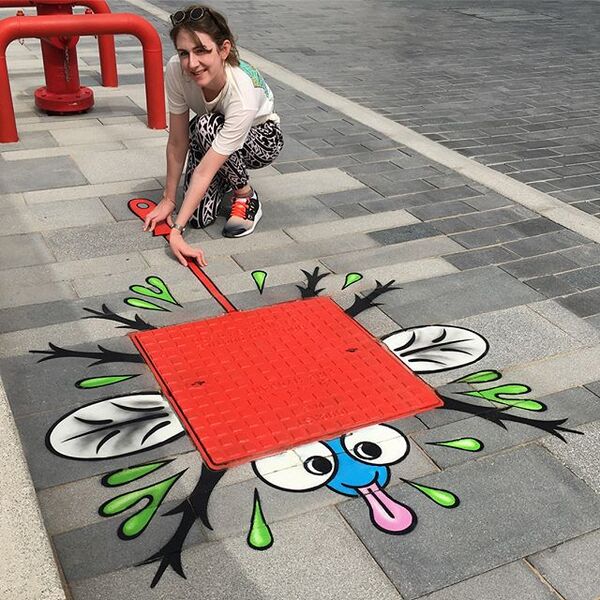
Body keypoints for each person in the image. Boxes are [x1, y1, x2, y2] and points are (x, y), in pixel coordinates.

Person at [143, 4, 283, 267]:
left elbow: (203, 172)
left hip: (263, 138)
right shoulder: (176, 70)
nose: (192, 63)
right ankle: (225, 175)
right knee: (198, 217)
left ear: (224, 49)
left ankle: (245, 195)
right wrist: (168, 200)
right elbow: (177, 141)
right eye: (183, 53)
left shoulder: (241, 91)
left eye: (201, 51)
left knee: (207, 125)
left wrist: (176, 232)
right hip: (212, 133)